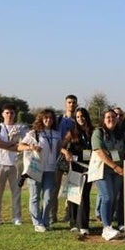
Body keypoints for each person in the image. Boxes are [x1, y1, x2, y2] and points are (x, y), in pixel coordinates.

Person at [18, 109, 61, 233]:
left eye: (51, 118)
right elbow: (20, 146)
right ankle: (37, 223)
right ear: (41, 119)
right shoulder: (34, 133)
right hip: (36, 169)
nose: (48, 120)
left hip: (50, 169)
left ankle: (45, 220)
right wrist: (31, 147)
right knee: (35, 196)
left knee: (48, 197)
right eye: (46, 118)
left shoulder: (56, 134)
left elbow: (59, 148)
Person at [91, 109, 125, 241]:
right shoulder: (98, 133)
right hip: (103, 171)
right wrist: (115, 167)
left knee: (114, 198)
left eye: (113, 117)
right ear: (103, 119)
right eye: (108, 117)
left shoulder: (120, 134)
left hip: (118, 171)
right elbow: (99, 152)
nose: (111, 119)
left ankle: (109, 226)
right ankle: (106, 227)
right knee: (107, 197)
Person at [0, 104, 26, 227]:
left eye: (12, 113)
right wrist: (12, 144)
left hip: (16, 165)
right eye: (7, 113)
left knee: (16, 193)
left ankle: (16, 217)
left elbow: (24, 144)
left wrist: (12, 146)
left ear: (15, 114)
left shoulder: (21, 128)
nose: (9, 115)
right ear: (2, 114)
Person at [59, 108, 94, 235]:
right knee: (74, 194)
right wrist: (66, 152)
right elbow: (61, 147)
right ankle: (73, 223)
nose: (80, 119)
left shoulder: (93, 132)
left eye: (82, 116)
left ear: (86, 117)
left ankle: (83, 224)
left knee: (84, 195)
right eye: (78, 117)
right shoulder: (72, 133)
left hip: (89, 167)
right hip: (75, 166)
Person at [51, 94, 78, 223]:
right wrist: (63, 151)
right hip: (58, 157)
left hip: (73, 158)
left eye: (73, 102)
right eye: (69, 102)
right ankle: (52, 215)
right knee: (54, 188)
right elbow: (55, 141)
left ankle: (69, 214)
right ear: (65, 104)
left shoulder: (79, 120)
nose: (71, 104)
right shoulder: (58, 120)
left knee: (72, 188)